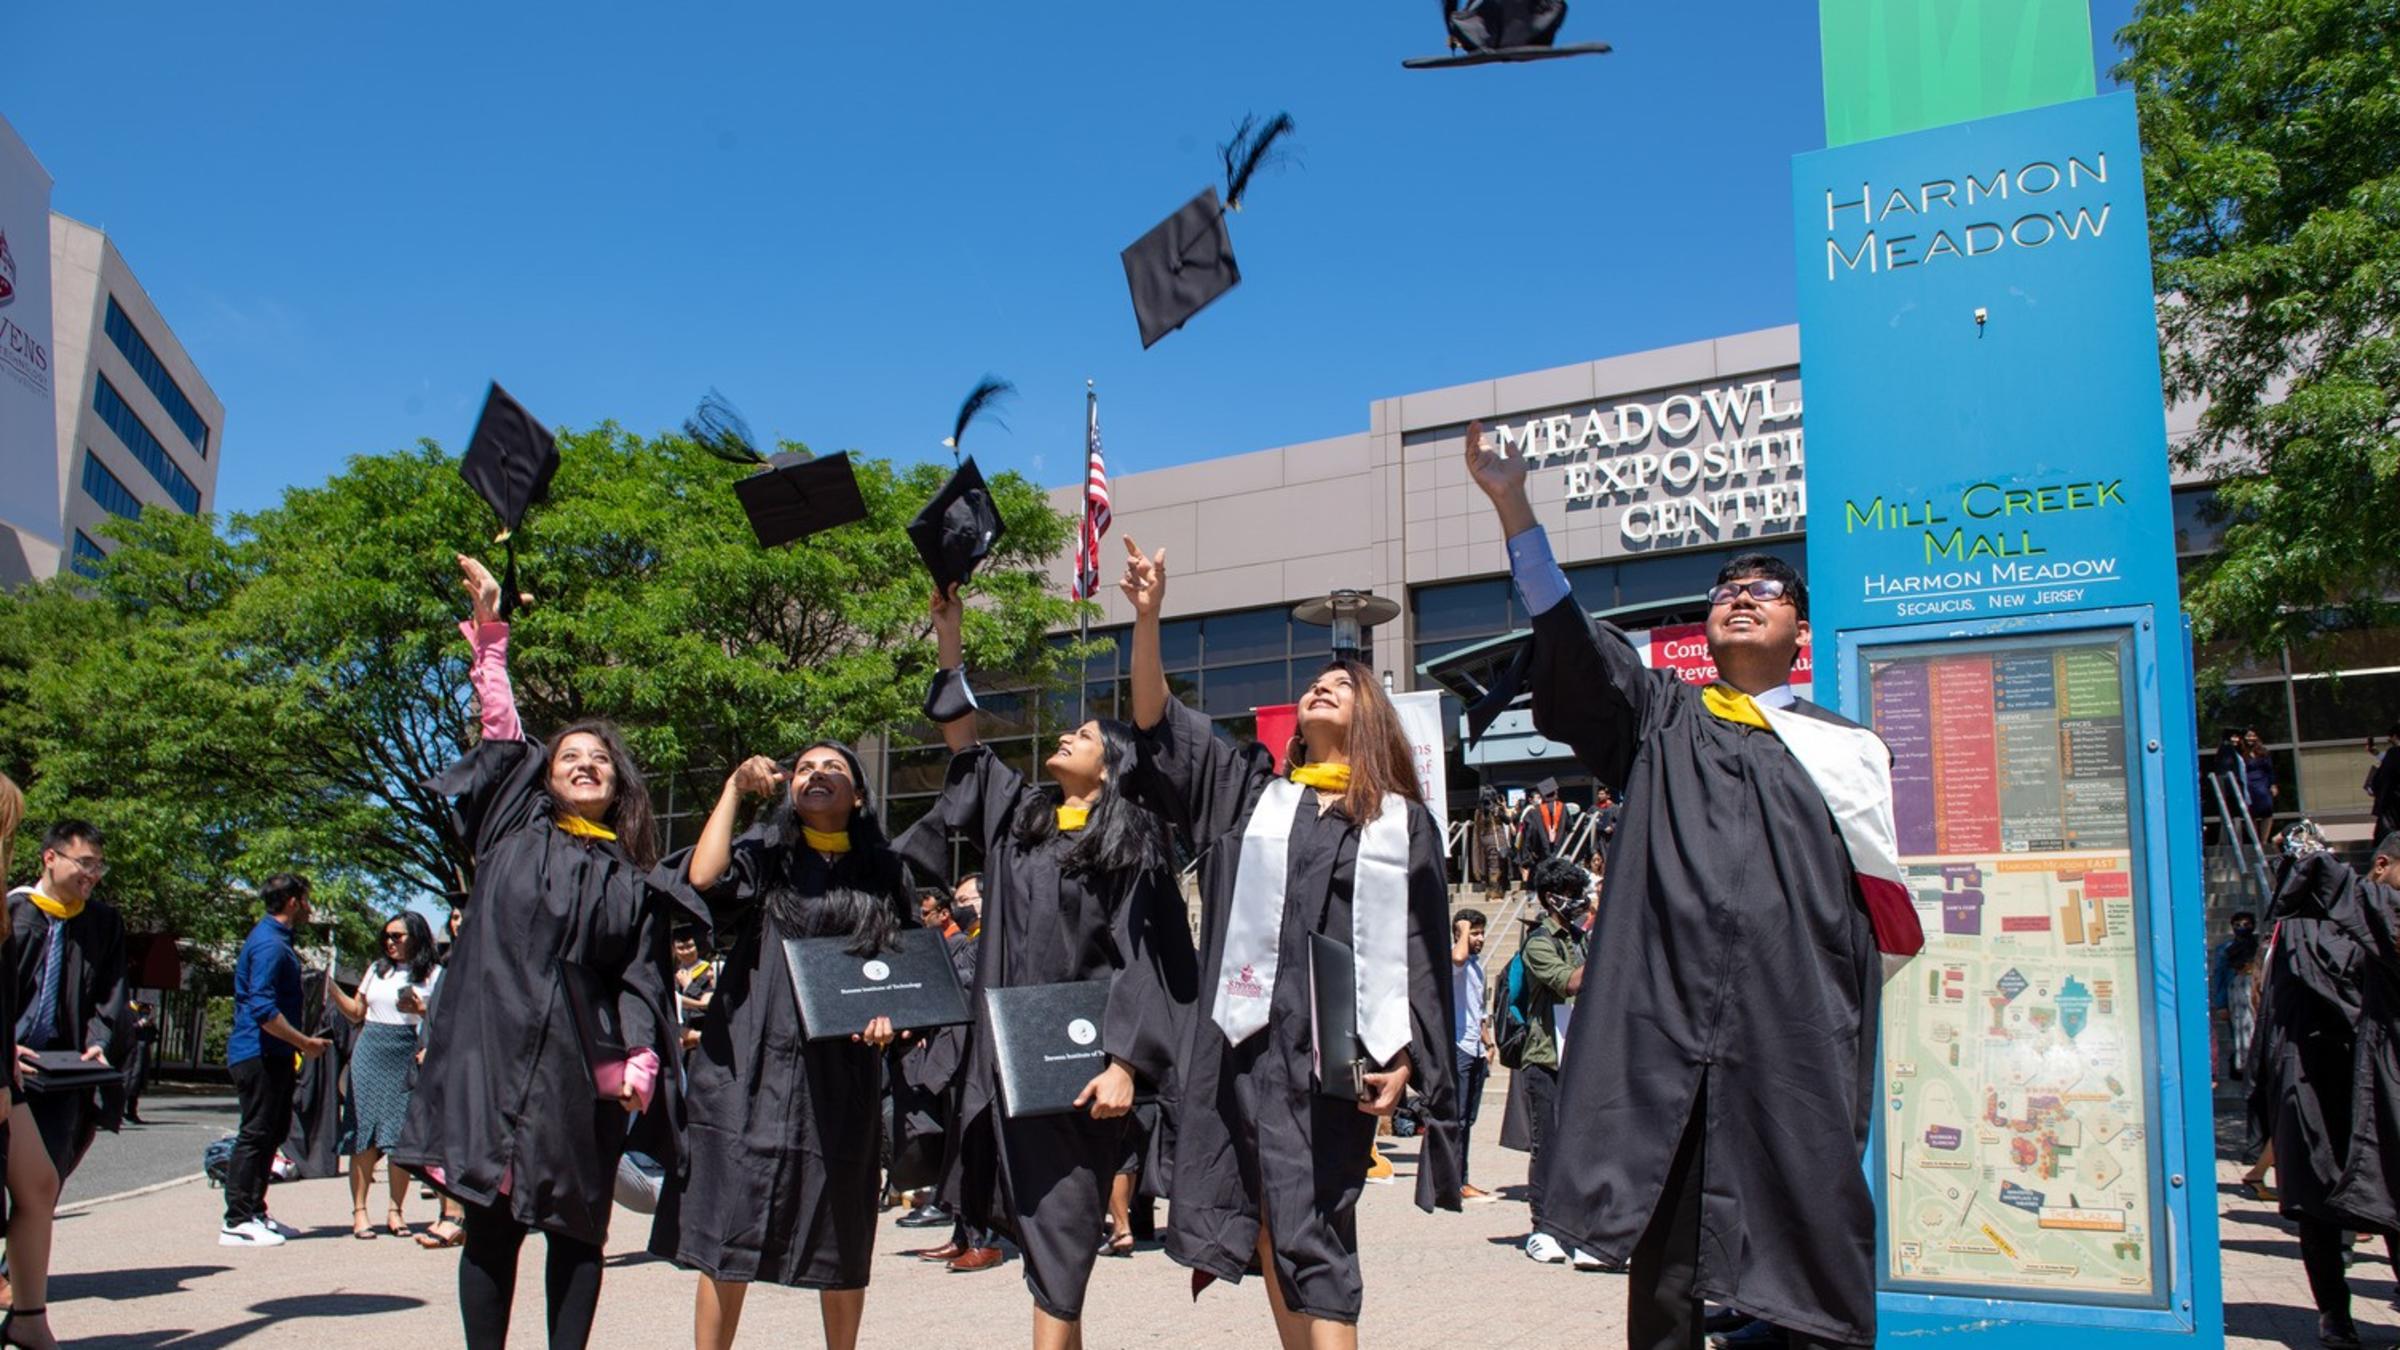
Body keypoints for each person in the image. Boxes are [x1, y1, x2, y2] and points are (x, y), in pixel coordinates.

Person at [1468, 424, 1914, 1350]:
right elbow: (1572, 642)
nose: (1738, 600)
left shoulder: (1846, 754)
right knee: (1666, 1282)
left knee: (1810, 1269)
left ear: (1802, 627)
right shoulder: (1662, 717)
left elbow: (1870, 924)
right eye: (1725, 591)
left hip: (1790, 1039)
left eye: (1764, 591)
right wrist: (1516, 510)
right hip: (1666, 1031)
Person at [1118, 535, 1462, 1347]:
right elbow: (1156, 722)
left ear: (1370, 718)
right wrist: (1148, 616)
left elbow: (1417, 951)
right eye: (1314, 682)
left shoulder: (1400, 826)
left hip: (1328, 1050)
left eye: (1342, 685)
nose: (1320, 687)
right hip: (1238, 1044)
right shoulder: (1252, 796)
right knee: (1265, 1222)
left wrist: (1408, 1057)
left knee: (1319, 1236)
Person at [896, 584, 1199, 1346]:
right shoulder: (1022, 822)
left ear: (1112, 767)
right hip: (1008, 1063)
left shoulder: (1133, 843)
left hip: (1082, 1067)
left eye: (1087, 736)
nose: (1067, 737)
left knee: (1061, 1238)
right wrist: (950, 636)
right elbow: (964, 743)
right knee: (1044, 1246)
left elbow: (1147, 958)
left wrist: (1127, 1061)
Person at [394, 555, 676, 1350]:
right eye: (568, 758)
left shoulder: (632, 880)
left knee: (578, 1229)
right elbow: (501, 733)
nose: (584, 763)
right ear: (546, 779)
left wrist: (641, 1057)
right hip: (492, 1051)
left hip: (578, 1069)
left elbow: (639, 975)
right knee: (490, 1225)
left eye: (599, 760)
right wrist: (489, 638)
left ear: (619, 786)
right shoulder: (513, 830)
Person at [648, 739, 912, 1350]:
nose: (817, 774)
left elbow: (905, 971)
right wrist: (734, 791)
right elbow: (703, 878)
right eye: (807, 767)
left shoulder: (884, 871)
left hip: (839, 1064)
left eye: (835, 768)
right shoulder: (767, 854)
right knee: (727, 1219)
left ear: (860, 795)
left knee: (842, 1219)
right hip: (750, 1051)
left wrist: (888, 1016)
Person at [2248, 834, 2400, 1350]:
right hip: (2320, 1081)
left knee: (2378, 1199)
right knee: (2324, 1206)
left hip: (2356, 1080)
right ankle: (2335, 1316)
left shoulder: (2359, 915)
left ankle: (2335, 1319)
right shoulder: (2295, 931)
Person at [5, 820, 131, 1349]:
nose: (92, 876)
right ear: (50, 859)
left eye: (98, 866)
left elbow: (111, 990)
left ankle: (24, 1298)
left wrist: (100, 1038)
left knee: (44, 1184)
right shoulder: (13, 912)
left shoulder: (101, 922)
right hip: (11, 1068)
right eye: (85, 864)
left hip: (61, 1073)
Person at [218, 873, 330, 1250]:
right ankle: (236, 1220)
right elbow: (263, 1009)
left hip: (275, 1054)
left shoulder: (277, 941)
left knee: (271, 1132)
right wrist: (305, 1043)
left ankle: (254, 1211)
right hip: (259, 1053)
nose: (311, 907)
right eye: (307, 899)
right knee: (255, 1132)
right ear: (294, 901)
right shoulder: (268, 944)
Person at [330, 910, 441, 1240]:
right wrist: (332, 989)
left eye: (398, 936)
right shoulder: (377, 970)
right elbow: (356, 1013)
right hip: (370, 1049)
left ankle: (396, 1211)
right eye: (387, 936)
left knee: (398, 1135)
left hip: (406, 1049)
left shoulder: (433, 974)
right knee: (363, 1132)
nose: (390, 942)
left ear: (416, 937)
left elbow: (442, 1015)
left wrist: (420, 1010)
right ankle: (360, 1212)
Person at [1514, 857, 1598, 1270]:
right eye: (1570, 894)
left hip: (1579, 1058)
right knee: (1547, 1145)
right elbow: (1569, 982)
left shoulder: (1580, 938)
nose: (1579, 901)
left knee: (1582, 1147)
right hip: (1545, 1057)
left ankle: (1580, 1229)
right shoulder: (1539, 943)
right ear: (1551, 899)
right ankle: (1542, 1229)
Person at [1450, 909, 1496, 1202]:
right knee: (1458, 1119)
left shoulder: (1478, 966)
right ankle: (1456, 1181)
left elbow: (1478, 1012)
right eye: (1473, 932)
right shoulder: (1456, 960)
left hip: (1476, 1047)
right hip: (1459, 1048)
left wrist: (1489, 1044)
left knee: (1469, 1119)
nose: (1479, 938)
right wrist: (1462, 930)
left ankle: (1461, 1179)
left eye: (1481, 932)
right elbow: (1457, 957)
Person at [2210, 912, 2258, 1083]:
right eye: (2238, 924)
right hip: (2236, 992)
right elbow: (2220, 976)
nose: (2242, 928)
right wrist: (2221, 1004)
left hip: (2254, 991)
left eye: (2247, 924)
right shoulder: (2225, 950)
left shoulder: (2258, 945)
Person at [673, 926, 716, 1055]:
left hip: (702, 1034)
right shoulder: (673, 973)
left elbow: (709, 1004)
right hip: (679, 1039)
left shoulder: (709, 970)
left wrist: (689, 985)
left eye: (690, 946)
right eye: (680, 948)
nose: (686, 952)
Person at [119, 998, 157, 1125]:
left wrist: (150, 1025)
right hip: (131, 1051)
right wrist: (139, 1024)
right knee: (130, 1081)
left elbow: (153, 1036)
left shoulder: (145, 1014)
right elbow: (124, 1030)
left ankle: (132, 1112)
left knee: (139, 1082)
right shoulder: (126, 1010)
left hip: (143, 1051)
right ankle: (122, 1112)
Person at [2240, 727, 2278, 837]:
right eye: (2248, 736)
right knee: (2252, 813)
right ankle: (2255, 839)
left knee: (2267, 811)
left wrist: (2273, 784)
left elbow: (2270, 769)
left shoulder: (2263, 752)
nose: (2250, 738)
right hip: (2249, 785)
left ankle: (2264, 840)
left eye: (2253, 736)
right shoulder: (2241, 753)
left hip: (2263, 784)